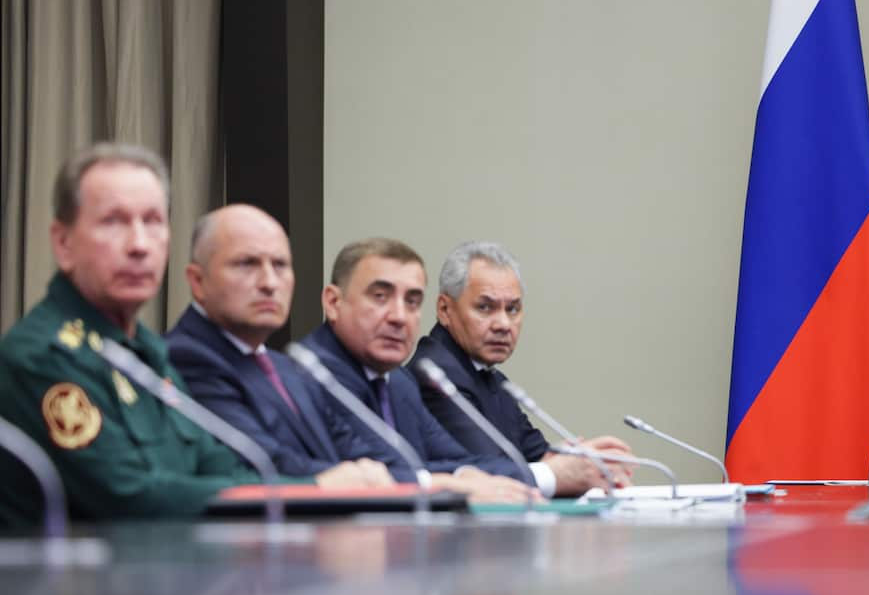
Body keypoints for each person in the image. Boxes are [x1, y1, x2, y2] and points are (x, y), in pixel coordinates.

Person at [168, 211, 532, 503]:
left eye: (280, 265)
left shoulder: (285, 368)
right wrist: (434, 483)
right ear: (197, 282)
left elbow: (365, 460)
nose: (269, 282)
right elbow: (270, 463)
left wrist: (456, 478)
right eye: (247, 264)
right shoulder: (190, 358)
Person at [0, 144, 264, 524]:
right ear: (63, 244)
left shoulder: (145, 351)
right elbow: (131, 500)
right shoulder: (42, 355)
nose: (139, 245)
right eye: (113, 221)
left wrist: (320, 491)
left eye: (154, 221)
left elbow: (222, 469)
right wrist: (318, 491)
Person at [301, 238, 540, 502]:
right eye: (380, 297)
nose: (399, 316)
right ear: (334, 302)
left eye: (412, 301)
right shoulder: (310, 375)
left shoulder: (399, 381)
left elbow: (461, 462)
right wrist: (452, 483)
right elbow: (380, 473)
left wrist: (463, 477)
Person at [410, 241, 632, 497]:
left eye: (512, 309)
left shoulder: (490, 379)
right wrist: (558, 469)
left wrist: (576, 461)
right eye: (485, 307)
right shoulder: (436, 376)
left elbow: (536, 456)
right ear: (445, 310)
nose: (503, 324)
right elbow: (490, 476)